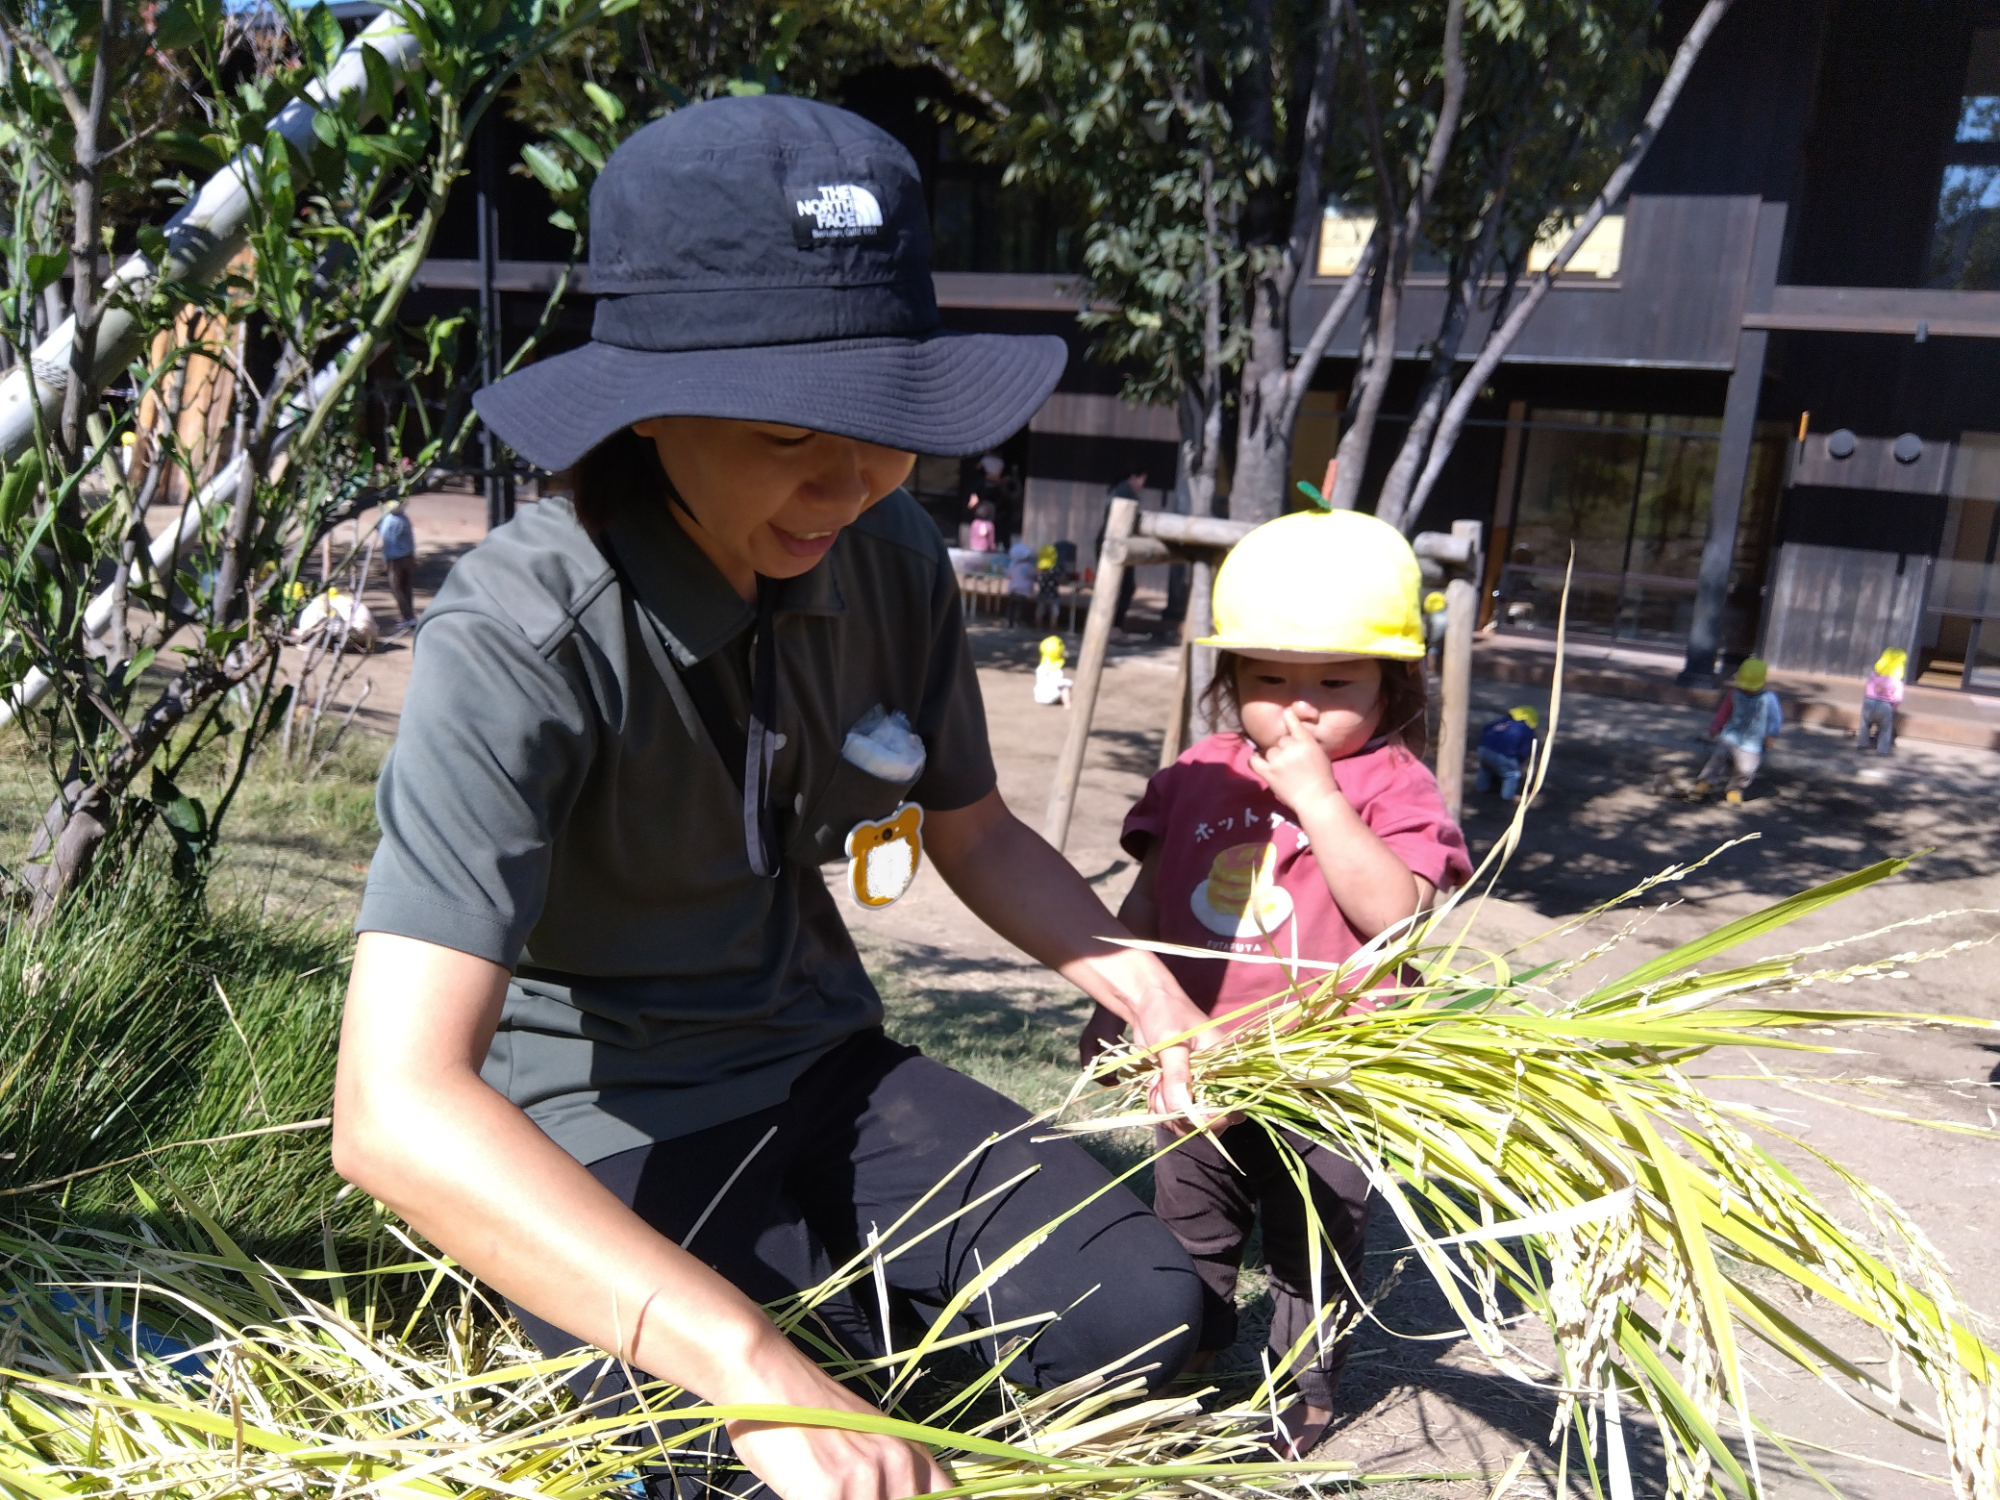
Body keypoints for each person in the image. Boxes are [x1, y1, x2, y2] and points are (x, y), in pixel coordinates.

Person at [332, 97, 1220, 1500]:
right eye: (790, 429)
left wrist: (1150, 994)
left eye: (892, 425)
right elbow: (393, 1108)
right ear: (644, 407)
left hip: (823, 1064)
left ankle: (849, 1353)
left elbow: (970, 827)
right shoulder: (522, 637)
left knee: (1144, 1314)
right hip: (600, 1122)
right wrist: (746, 1365)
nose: (855, 480)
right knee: (736, 1468)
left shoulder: (889, 554)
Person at [1078, 510, 1472, 1460]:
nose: (1298, 710)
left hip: (1331, 1074)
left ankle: (1301, 1390)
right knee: (1193, 1223)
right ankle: (1194, 1357)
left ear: (1392, 685)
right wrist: (1113, 1002)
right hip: (1204, 1056)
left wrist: (1319, 800)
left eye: (1334, 685)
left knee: (1311, 1239)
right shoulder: (1195, 776)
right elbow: (1147, 904)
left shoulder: (1392, 786)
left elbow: (1397, 917)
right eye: (1267, 682)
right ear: (1228, 682)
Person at [1696, 657, 1782, 804]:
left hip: (1753, 742)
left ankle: (1735, 789)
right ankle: (1706, 781)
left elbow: (1776, 718)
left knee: (1746, 769)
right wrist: (1716, 725)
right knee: (1718, 758)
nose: (1747, 690)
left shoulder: (1769, 698)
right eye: (1744, 686)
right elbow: (1725, 711)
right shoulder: (1734, 694)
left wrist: (1772, 734)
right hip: (1731, 736)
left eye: (1751, 688)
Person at [1093, 470, 1148, 637]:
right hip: (1115, 543)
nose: (1143, 485)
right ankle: (1113, 626)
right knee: (1121, 587)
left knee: (1118, 586)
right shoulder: (1125, 492)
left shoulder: (1120, 490)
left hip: (1112, 541)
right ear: (1133, 477)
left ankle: (1111, 626)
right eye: (1142, 480)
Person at [1474, 705, 1538, 800]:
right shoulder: (1526, 730)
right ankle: (1508, 795)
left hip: (1483, 749)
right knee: (1512, 773)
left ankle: (1481, 787)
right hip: (1503, 754)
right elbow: (1524, 750)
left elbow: (1485, 728)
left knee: (1485, 768)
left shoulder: (1502, 721)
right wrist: (1519, 761)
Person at [379, 499, 418, 633]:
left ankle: (407, 616)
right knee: (406, 586)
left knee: (397, 588)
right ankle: (410, 615)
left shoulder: (389, 521)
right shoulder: (404, 518)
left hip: (395, 559)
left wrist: (385, 561)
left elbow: (387, 542)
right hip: (408, 555)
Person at [1859, 648, 1905, 756]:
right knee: (1885, 729)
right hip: (1885, 705)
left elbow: (1867, 688)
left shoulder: (1874, 675)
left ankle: (1862, 743)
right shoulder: (1896, 681)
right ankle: (1882, 750)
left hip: (1869, 702)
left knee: (1864, 725)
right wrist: (1893, 706)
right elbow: (1897, 698)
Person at [1033, 633, 1073, 708]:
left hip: (1039, 697)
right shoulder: (1057, 671)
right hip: (1051, 698)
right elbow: (1059, 683)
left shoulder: (1040, 668)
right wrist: (1070, 683)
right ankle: (1067, 704)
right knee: (1065, 686)